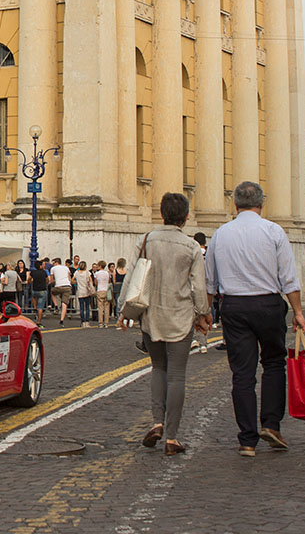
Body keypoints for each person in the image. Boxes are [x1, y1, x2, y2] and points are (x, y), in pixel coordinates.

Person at [206, 181, 305, 458]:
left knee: (242, 373)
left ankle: (247, 440)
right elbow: (289, 277)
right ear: (262, 204)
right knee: (274, 364)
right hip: (268, 303)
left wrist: (206, 312)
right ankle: (271, 425)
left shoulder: (220, 234)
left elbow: (210, 282)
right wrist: (297, 311)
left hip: (234, 306)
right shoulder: (274, 231)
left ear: (234, 205)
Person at [122, 193, 210, 456]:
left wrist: (123, 311)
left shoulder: (146, 240)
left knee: (158, 368)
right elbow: (199, 287)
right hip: (180, 316)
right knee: (177, 376)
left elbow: (131, 277)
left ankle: (157, 422)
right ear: (185, 216)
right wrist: (203, 314)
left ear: (162, 214)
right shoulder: (192, 246)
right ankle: (172, 437)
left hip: (151, 316)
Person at [48, 259, 72, 324]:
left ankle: (56, 305)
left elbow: (51, 280)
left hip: (58, 285)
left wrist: (55, 281)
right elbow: (69, 276)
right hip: (67, 285)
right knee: (64, 303)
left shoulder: (53, 268)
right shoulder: (66, 267)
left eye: (53, 263)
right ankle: (62, 320)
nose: (52, 264)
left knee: (52, 292)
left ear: (56, 262)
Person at [75, 261, 94, 327]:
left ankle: (82, 322)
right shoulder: (87, 273)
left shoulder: (76, 273)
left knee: (81, 308)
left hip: (80, 291)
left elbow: (72, 280)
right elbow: (91, 281)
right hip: (87, 291)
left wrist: (77, 282)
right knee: (87, 307)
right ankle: (87, 322)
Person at [93, 260, 112, 328]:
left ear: (100, 266)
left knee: (100, 307)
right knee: (107, 307)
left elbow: (95, 283)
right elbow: (109, 281)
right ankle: (106, 323)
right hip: (106, 290)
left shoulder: (97, 274)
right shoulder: (107, 273)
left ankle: (100, 322)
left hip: (100, 290)